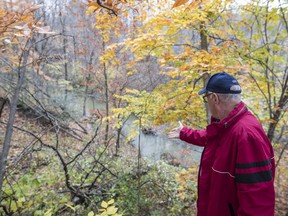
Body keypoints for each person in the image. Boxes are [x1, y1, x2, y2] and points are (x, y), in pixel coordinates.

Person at [168, 72, 275, 216]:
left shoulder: (246, 135)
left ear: (214, 98)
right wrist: (184, 133)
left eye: (206, 98)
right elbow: (211, 138)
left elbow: (257, 204)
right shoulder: (228, 125)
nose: (207, 102)